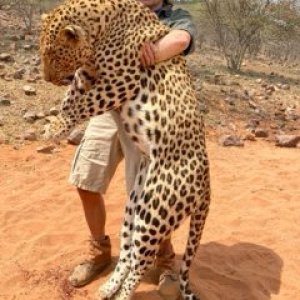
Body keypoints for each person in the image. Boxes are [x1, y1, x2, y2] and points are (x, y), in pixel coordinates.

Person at [68, 0, 196, 298]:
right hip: (106, 106)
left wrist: (148, 55)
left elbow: (181, 39)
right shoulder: (113, 10)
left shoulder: (175, 16)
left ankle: (164, 262)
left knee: (151, 195)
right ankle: (99, 253)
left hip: (148, 113)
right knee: (86, 180)